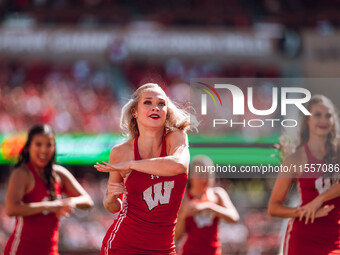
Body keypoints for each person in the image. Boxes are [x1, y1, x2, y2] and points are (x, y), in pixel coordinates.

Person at [94, 83, 195, 254]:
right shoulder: (121, 152)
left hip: (163, 248)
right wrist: (111, 197)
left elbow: (179, 165)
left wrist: (132, 165)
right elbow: (113, 206)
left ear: (167, 112)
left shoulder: (177, 138)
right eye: (148, 102)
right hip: (123, 245)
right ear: (135, 112)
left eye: (161, 104)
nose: (155, 107)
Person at [4, 124, 94, 255]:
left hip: (50, 250)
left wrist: (69, 203)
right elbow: (11, 209)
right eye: (38, 144)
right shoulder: (22, 173)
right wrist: (50, 206)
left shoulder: (58, 173)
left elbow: (87, 201)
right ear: (29, 147)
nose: (44, 150)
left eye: (49, 145)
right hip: (23, 249)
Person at [268, 95, 340, 255]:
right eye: (318, 115)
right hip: (303, 237)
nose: (323, 120)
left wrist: (320, 199)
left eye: (328, 115)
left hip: (335, 236)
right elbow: (273, 207)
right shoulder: (295, 159)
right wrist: (303, 211)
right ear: (307, 120)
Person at [174, 155, 239, 255]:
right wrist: (184, 215)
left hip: (213, 251)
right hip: (189, 251)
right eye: (200, 175)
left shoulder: (217, 194)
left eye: (208, 174)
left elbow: (234, 218)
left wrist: (210, 207)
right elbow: (176, 237)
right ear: (191, 176)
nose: (205, 179)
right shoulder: (184, 198)